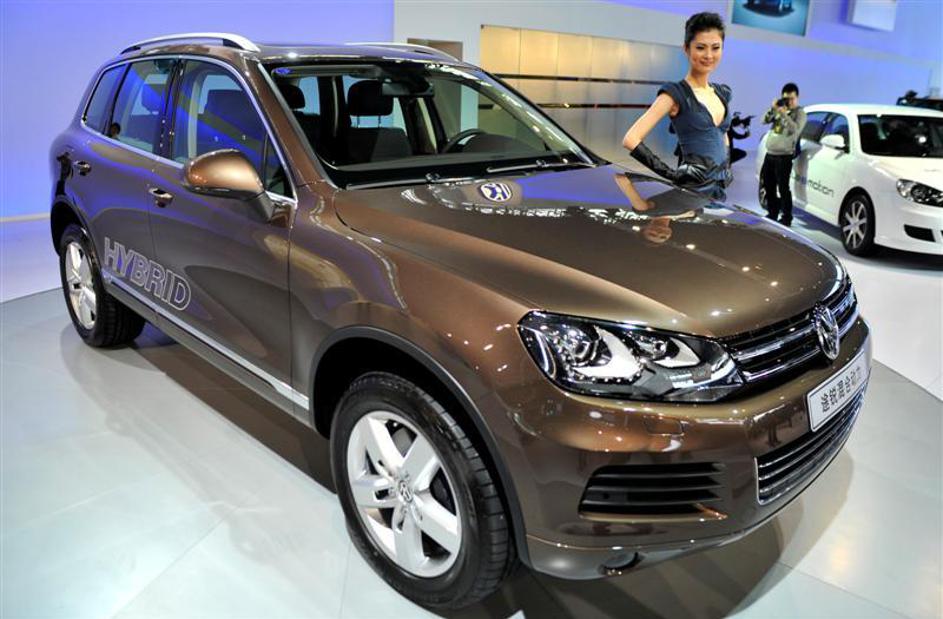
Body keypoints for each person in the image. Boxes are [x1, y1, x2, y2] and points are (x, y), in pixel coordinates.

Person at [622, 12, 733, 201]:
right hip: (690, 192)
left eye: (716, 48)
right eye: (700, 47)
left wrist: (726, 166)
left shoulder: (722, 93)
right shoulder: (675, 94)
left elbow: (723, 133)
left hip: (719, 191)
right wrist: (671, 175)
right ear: (686, 49)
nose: (709, 55)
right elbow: (630, 139)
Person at [761, 82, 806, 226]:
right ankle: (772, 213)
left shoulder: (800, 113)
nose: (789, 102)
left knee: (783, 188)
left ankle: (787, 217)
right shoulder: (780, 110)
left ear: (797, 98)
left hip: (784, 156)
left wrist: (783, 114)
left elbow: (795, 130)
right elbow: (763, 120)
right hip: (770, 153)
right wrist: (772, 109)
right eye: (786, 99)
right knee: (768, 185)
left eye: (792, 99)